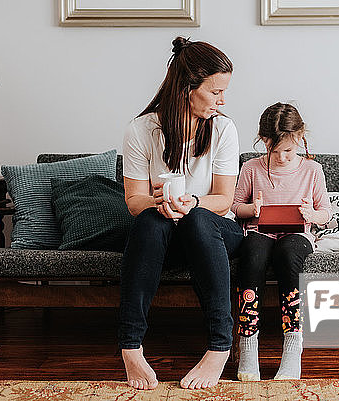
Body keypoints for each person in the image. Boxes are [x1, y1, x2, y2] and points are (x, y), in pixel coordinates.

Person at [120, 37, 243, 390]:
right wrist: (159, 204)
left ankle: (219, 346)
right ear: (188, 88)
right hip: (165, 234)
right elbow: (134, 201)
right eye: (216, 91)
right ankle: (131, 348)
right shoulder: (141, 130)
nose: (222, 100)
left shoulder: (223, 128)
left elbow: (224, 199)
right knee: (149, 219)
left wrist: (192, 203)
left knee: (198, 218)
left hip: (216, 232)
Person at [231, 102, 332, 381]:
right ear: (264, 141)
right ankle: (248, 343)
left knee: (288, 255)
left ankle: (293, 344)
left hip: (297, 235)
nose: (282, 157)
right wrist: (253, 209)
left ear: (300, 138)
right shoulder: (252, 167)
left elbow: (325, 213)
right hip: (259, 231)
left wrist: (311, 213)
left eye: (288, 150)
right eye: (274, 151)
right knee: (252, 254)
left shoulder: (312, 170)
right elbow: (235, 205)